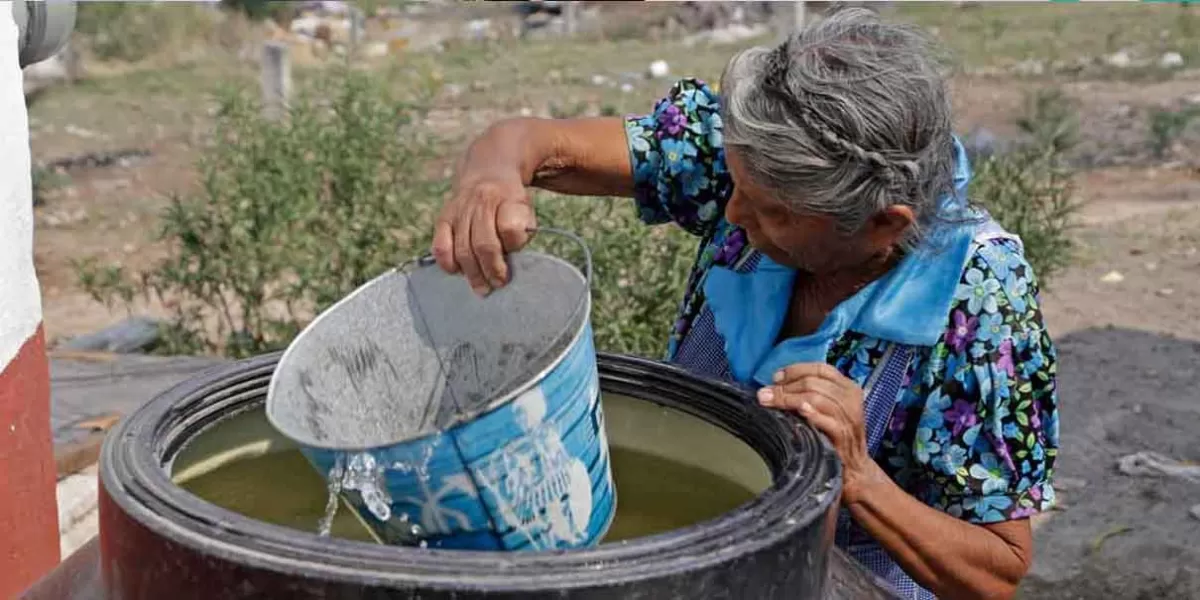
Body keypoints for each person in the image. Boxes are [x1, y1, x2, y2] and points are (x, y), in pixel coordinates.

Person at [433, 7, 1058, 599]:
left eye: (772, 213)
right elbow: (529, 143)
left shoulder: (977, 304)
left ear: (881, 226)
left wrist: (860, 479)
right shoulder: (757, 154)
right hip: (694, 543)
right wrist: (491, 177)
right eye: (738, 186)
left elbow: (995, 572)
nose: (732, 215)